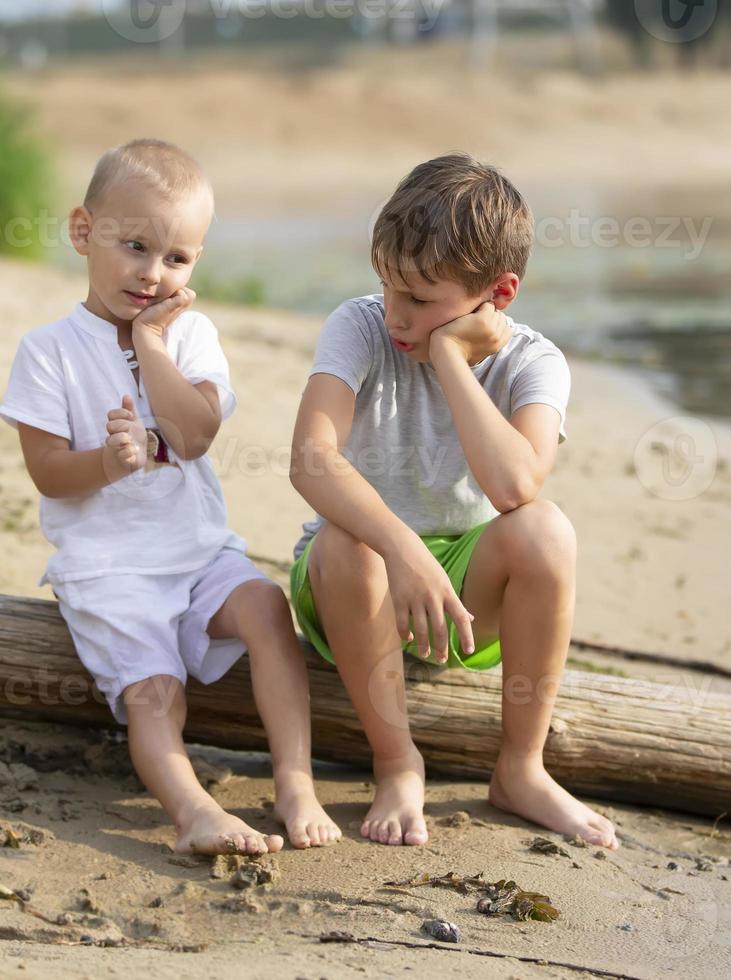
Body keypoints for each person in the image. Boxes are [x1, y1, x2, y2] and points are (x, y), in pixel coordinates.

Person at [0, 139, 338, 855]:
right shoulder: (48, 351)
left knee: (268, 608)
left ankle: (295, 779)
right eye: (135, 247)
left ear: (195, 264)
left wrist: (151, 342)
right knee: (157, 694)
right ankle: (193, 812)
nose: (153, 273)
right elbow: (47, 472)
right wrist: (107, 463)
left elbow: (194, 435)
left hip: (197, 553)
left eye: (176, 259)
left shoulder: (190, 336)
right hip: (110, 569)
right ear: (83, 232)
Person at [287, 152, 618, 849]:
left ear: (498, 294)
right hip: (354, 578)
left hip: (461, 603)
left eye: (419, 299)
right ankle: (397, 759)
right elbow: (311, 460)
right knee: (346, 542)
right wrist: (401, 548)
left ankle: (521, 769)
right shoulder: (358, 326)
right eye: (387, 287)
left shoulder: (535, 361)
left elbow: (515, 486)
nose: (395, 314)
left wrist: (448, 360)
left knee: (547, 532)